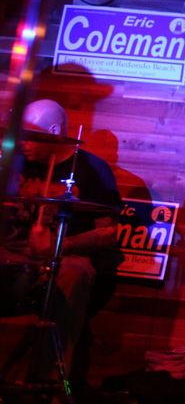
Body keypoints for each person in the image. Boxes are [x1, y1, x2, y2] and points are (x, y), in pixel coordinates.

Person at [3, 98, 122, 394]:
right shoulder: (13, 162)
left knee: (73, 274)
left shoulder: (92, 169)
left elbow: (108, 233)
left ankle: (46, 386)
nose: (24, 142)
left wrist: (59, 246)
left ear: (55, 131)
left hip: (65, 257)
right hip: (13, 253)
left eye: (31, 135)